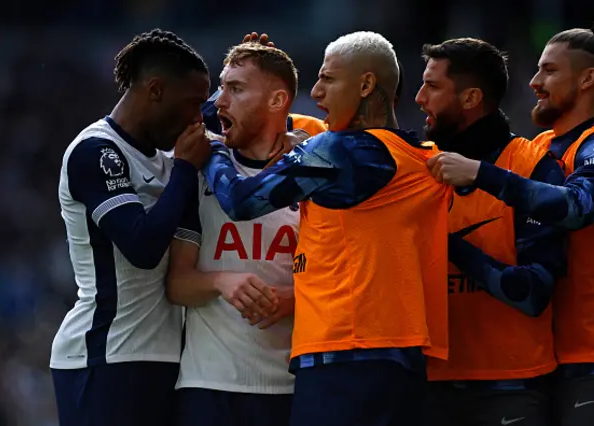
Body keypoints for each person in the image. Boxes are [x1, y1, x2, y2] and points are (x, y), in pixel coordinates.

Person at [190, 31, 451, 426]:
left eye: (328, 79)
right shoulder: (419, 156)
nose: (315, 92)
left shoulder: (333, 151)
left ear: (365, 85)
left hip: (345, 356)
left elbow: (242, 199)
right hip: (402, 355)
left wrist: (214, 149)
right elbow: (249, 116)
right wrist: (255, 76)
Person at [427, 14, 594, 426]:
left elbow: (578, 207)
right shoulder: (539, 148)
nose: (534, 81)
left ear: (587, 80)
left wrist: (481, 174)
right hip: (551, 357)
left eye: (548, 70)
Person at [49, 29, 212, 426]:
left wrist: (260, 64)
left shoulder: (167, 154)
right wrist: (186, 169)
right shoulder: (97, 152)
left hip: (166, 358)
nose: (197, 117)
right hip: (106, 355)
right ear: (155, 89)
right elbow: (141, 248)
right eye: (192, 104)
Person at [166, 42, 326, 426]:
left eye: (236, 89)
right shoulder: (199, 169)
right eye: (222, 88)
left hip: (294, 387)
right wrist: (222, 281)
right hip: (208, 385)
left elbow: (343, 281)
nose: (220, 101)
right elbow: (177, 284)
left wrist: (296, 299)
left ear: (277, 101)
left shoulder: (318, 178)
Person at [415, 37, 566, 426]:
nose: (418, 98)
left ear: (470, 99)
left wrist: (447, 248)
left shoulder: (533, 167)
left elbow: (532, 293)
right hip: (426, 384)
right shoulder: (415, 164)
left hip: (512, 386)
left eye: (432, 86)